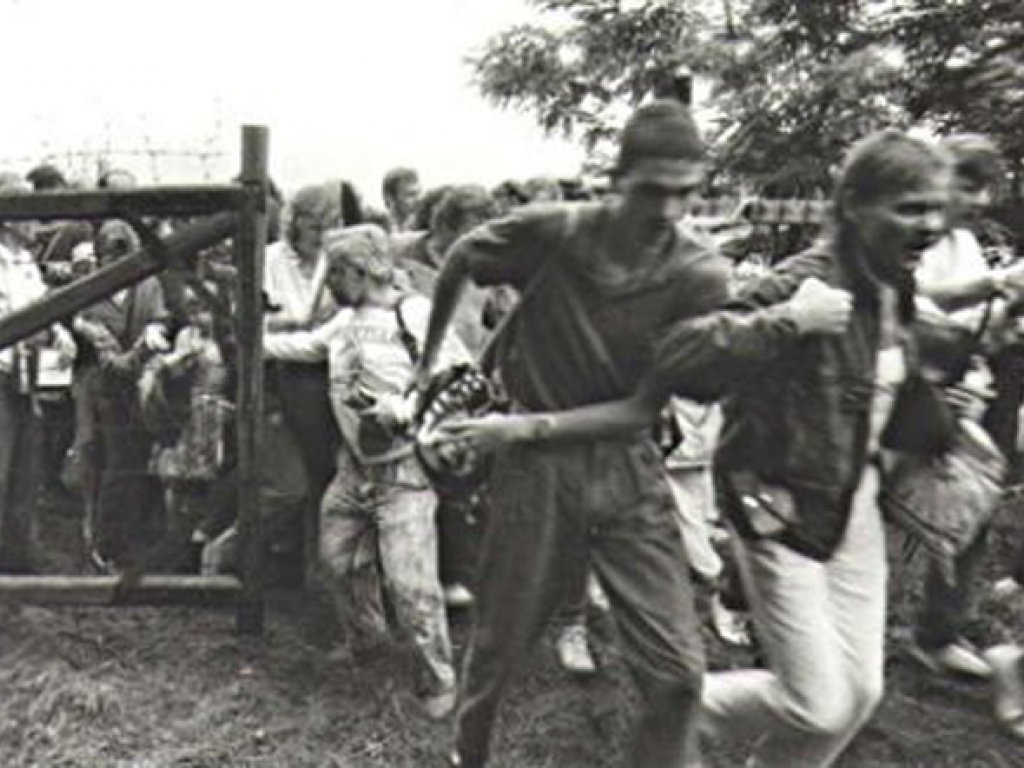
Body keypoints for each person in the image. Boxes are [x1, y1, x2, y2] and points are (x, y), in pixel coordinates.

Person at [429, 129, 952, 768]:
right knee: (504, 643)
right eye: (911, 209)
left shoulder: (879, 283)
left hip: (824, 497)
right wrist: (788, 322)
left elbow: (878, 388)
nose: (931, 225)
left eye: (937, 209)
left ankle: (673, 730)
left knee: (843, 693)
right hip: (761, 498)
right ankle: (487, 747)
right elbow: (687, 357)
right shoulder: (792, 282)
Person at [411, 99, 738, 768]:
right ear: (617, 180)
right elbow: (462, 257)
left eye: (686, 192)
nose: (669, 210)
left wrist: (520, 429)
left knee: (679, 675)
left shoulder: (698, 275)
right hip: (535, 476)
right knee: (498, 646)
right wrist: (429, 358)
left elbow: (641, 411)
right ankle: (468, 755)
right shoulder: (554, 231)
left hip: (623, 465)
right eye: (653, 190)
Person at [264, 224, 468, 720]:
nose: (329, 283)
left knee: (410, 583)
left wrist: (405, 407)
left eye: (335, 273)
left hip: (404, 471)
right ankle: (369, 644)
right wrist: (254, 340)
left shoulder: (413, 313)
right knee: (338, 560)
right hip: (354, 471)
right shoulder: (345, 320)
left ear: (359, 271)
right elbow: (308, 345)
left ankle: (438, 678)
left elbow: (460, 374)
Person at [906, 133, 1024, 680]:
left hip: (957, 390)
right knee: (867, 504)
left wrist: (1006, 316)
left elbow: (977, 327)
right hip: (904, 389)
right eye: (968, 185)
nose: (980, 200)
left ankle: (938, 630)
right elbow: (912, 306)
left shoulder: (965, 244)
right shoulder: (913, 233)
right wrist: (993, 284)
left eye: (985, 189)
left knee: (974, 499)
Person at [0, 178, 76, 573]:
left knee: (25, 466)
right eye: (26, 209)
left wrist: (59, 333)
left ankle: (17, 554)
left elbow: (41, 306)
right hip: (3, 370)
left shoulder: (25, 262)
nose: (36, 220)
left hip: (25, 374)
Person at [382, 167, 421, 233]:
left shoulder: (425, 228)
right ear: (390, 198)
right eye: (410, 195)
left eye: (419, 193)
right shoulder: (376, 231)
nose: (419, 199)